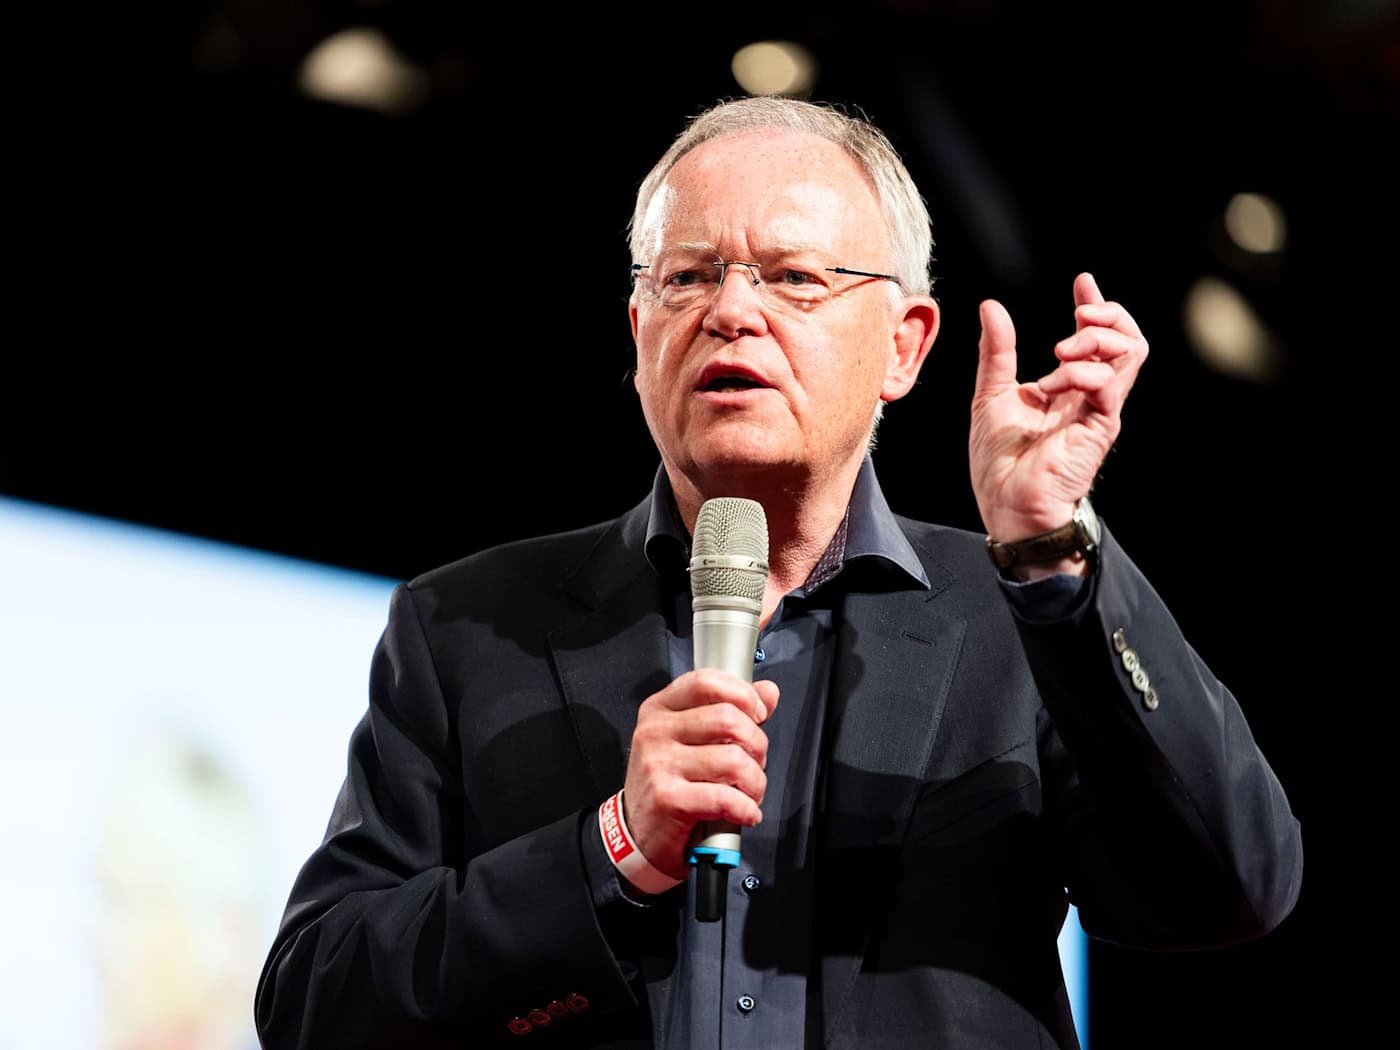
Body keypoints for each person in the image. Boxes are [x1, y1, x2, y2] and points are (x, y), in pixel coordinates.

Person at [254, 97, 1302, 1050]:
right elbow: (315, 1003)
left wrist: (1046, 549)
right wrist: (613, 849)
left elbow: (1226, 888)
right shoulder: (468, 626)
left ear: (904, 344)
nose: (730, 311)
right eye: (688, 276)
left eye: (794, 277)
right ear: (638, 332)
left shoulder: (1017, 617)